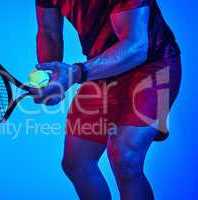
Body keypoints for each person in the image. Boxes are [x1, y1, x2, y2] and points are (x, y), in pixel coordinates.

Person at [31, 0, 181, 199]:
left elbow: (136, 47)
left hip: (153, 64)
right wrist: (51, 76)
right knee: (76, 162)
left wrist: (76, 73)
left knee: (125, 157)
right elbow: (48, 32)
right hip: (103, 68)